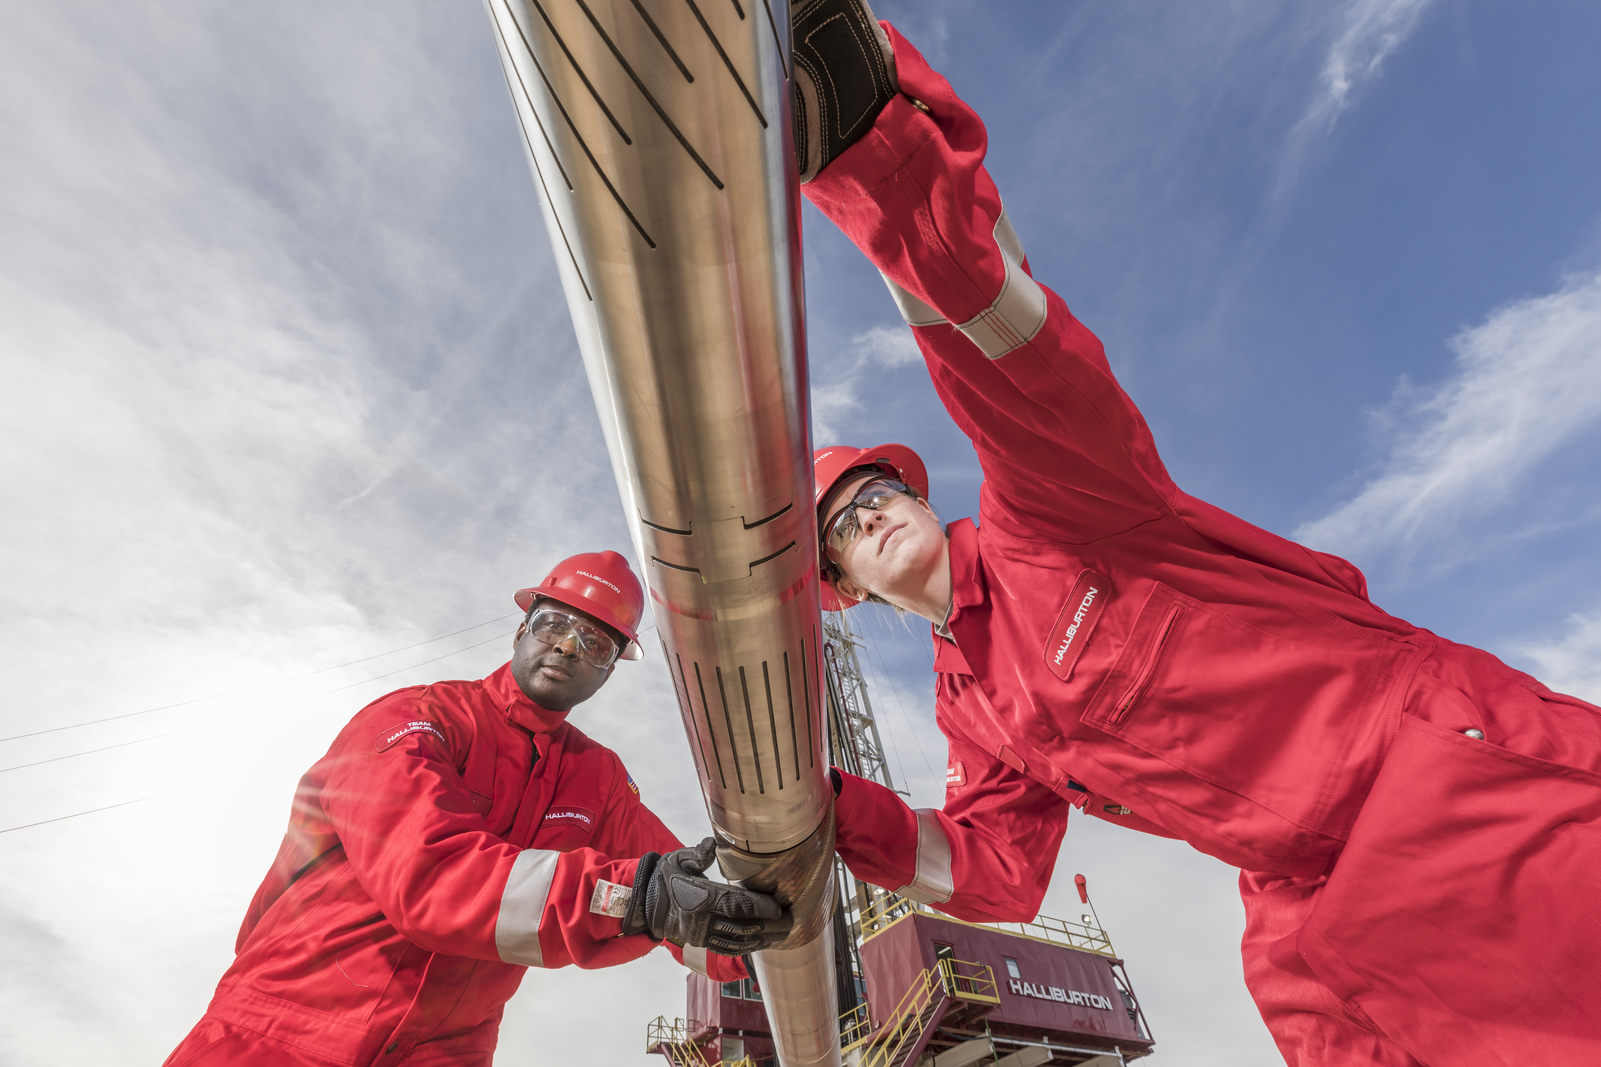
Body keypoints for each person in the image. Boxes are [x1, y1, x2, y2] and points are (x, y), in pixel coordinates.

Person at [790, 3, 1601, 1065]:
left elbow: (1011, 361)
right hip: (1302, 895)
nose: (873, 510)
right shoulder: (974, 711)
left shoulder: (1051, 516)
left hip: (1433, 765)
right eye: (845, 522)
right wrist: (815, 809)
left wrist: (871, 155)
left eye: (877, 488)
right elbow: (990, 867)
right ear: (842, 582)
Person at [163, 551, 790, 1067]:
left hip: (444, 1054)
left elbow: (681, 887)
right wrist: (632, 900)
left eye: (595, 643)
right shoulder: (415, 722)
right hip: (282, 1031)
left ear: (608, 671)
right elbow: (430, 879)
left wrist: (771, 941)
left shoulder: (596, 780)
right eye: (555, 626)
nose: (569, 648)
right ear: (521, 630)